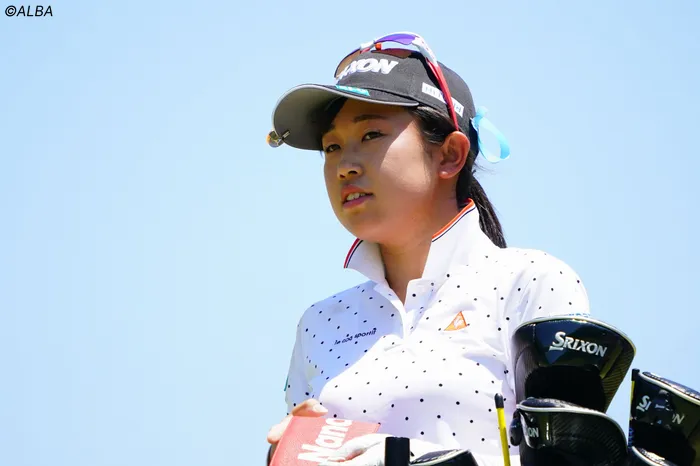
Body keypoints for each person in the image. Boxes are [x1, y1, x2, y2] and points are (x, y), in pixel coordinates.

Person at [264, 32, 591, 466]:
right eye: (332, 146)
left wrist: (408, 459)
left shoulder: (531, 282)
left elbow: (571, 460)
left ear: (450, 155)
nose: (345, 165)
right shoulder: (319, 324)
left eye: (371, 134)